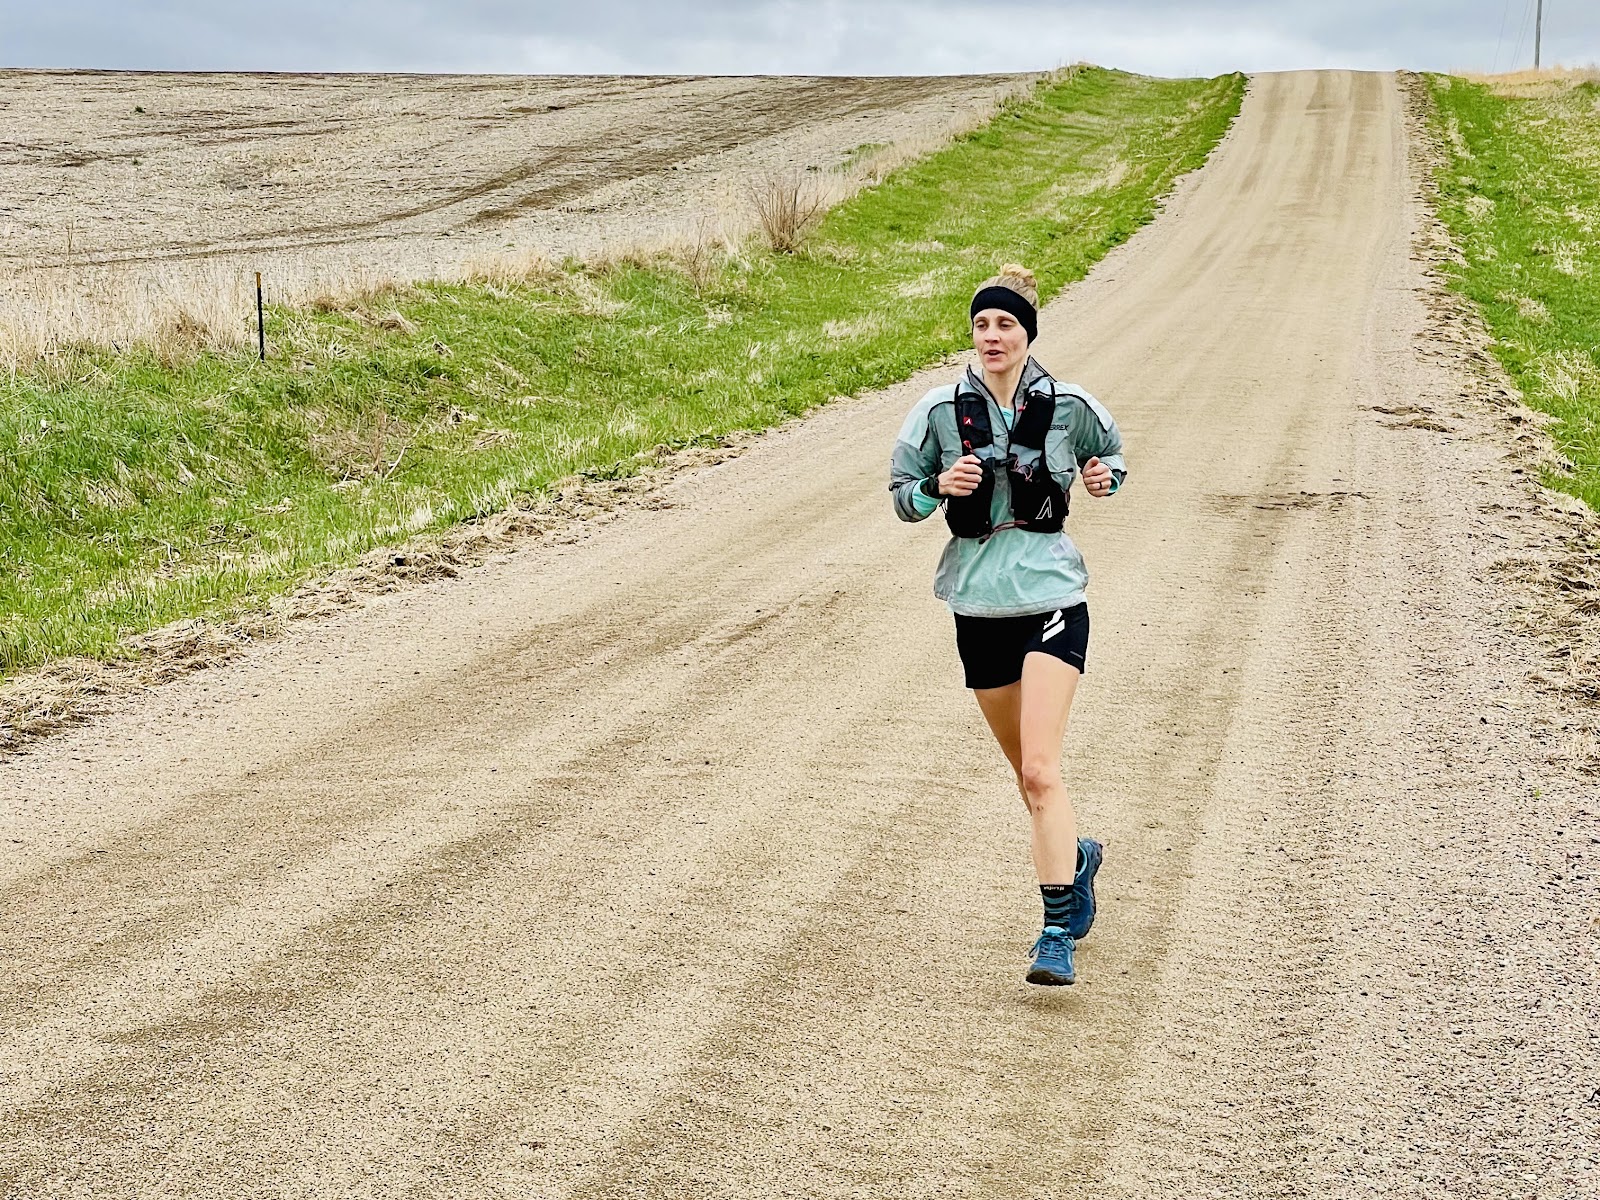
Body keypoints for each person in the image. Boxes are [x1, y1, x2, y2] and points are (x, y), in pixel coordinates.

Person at [889, 264, 1126, 986]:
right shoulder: (937, 412)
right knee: (1029, 781)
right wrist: (936, 487)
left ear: (1028, 334)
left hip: (1052, 599)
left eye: (1006, 324)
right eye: (982, 324)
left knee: (1040, 769)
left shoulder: (1071, 406)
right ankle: (1076, 858)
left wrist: (1103, 478)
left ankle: (1055, 933)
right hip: (977, 607)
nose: (992, 336)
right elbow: (901, 497)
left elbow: (1113, 457)